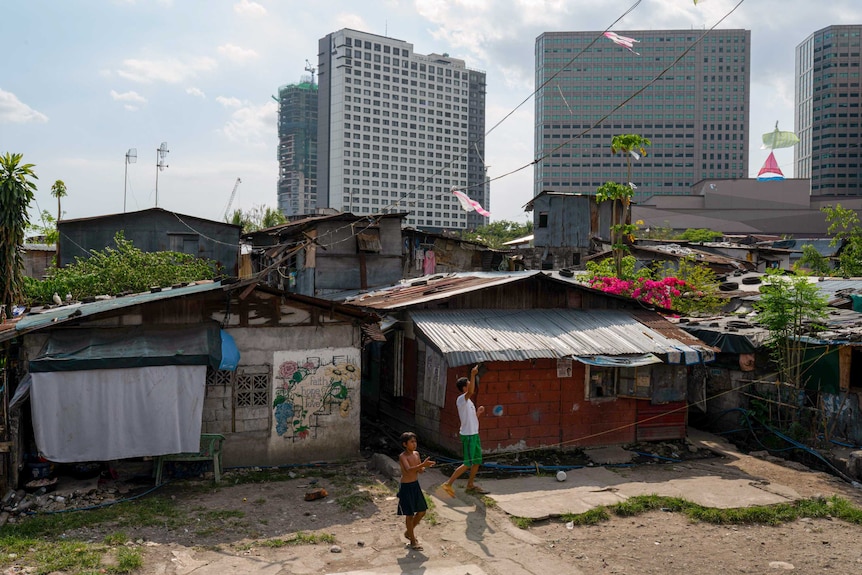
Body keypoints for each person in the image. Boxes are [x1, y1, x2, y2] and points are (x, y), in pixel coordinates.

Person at [442, 364, 489, 496]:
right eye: (469, 384)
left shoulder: (469, 403)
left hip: (474, 434)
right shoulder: (461, 399)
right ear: (464, 388)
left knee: (477, 461)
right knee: (467, 463)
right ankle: (448, 484)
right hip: (468, 436)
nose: (471, 385)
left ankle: (470, 484)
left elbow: (471, 419)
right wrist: (473, 375)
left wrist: (478, 413)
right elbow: (471, 391)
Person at [397, 431, 435, 550]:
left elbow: (419, 470)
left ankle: (409, 532)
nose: (414, 444)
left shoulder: (416, 454)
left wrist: (424, 467)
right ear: (405, 444)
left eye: (415, 441)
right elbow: (408, 470)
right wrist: (422, 465)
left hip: (415, 485)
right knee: (409, 514)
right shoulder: (403, 456)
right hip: (406, 487)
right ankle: (413, 541)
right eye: (411, 442)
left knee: (422, 511)